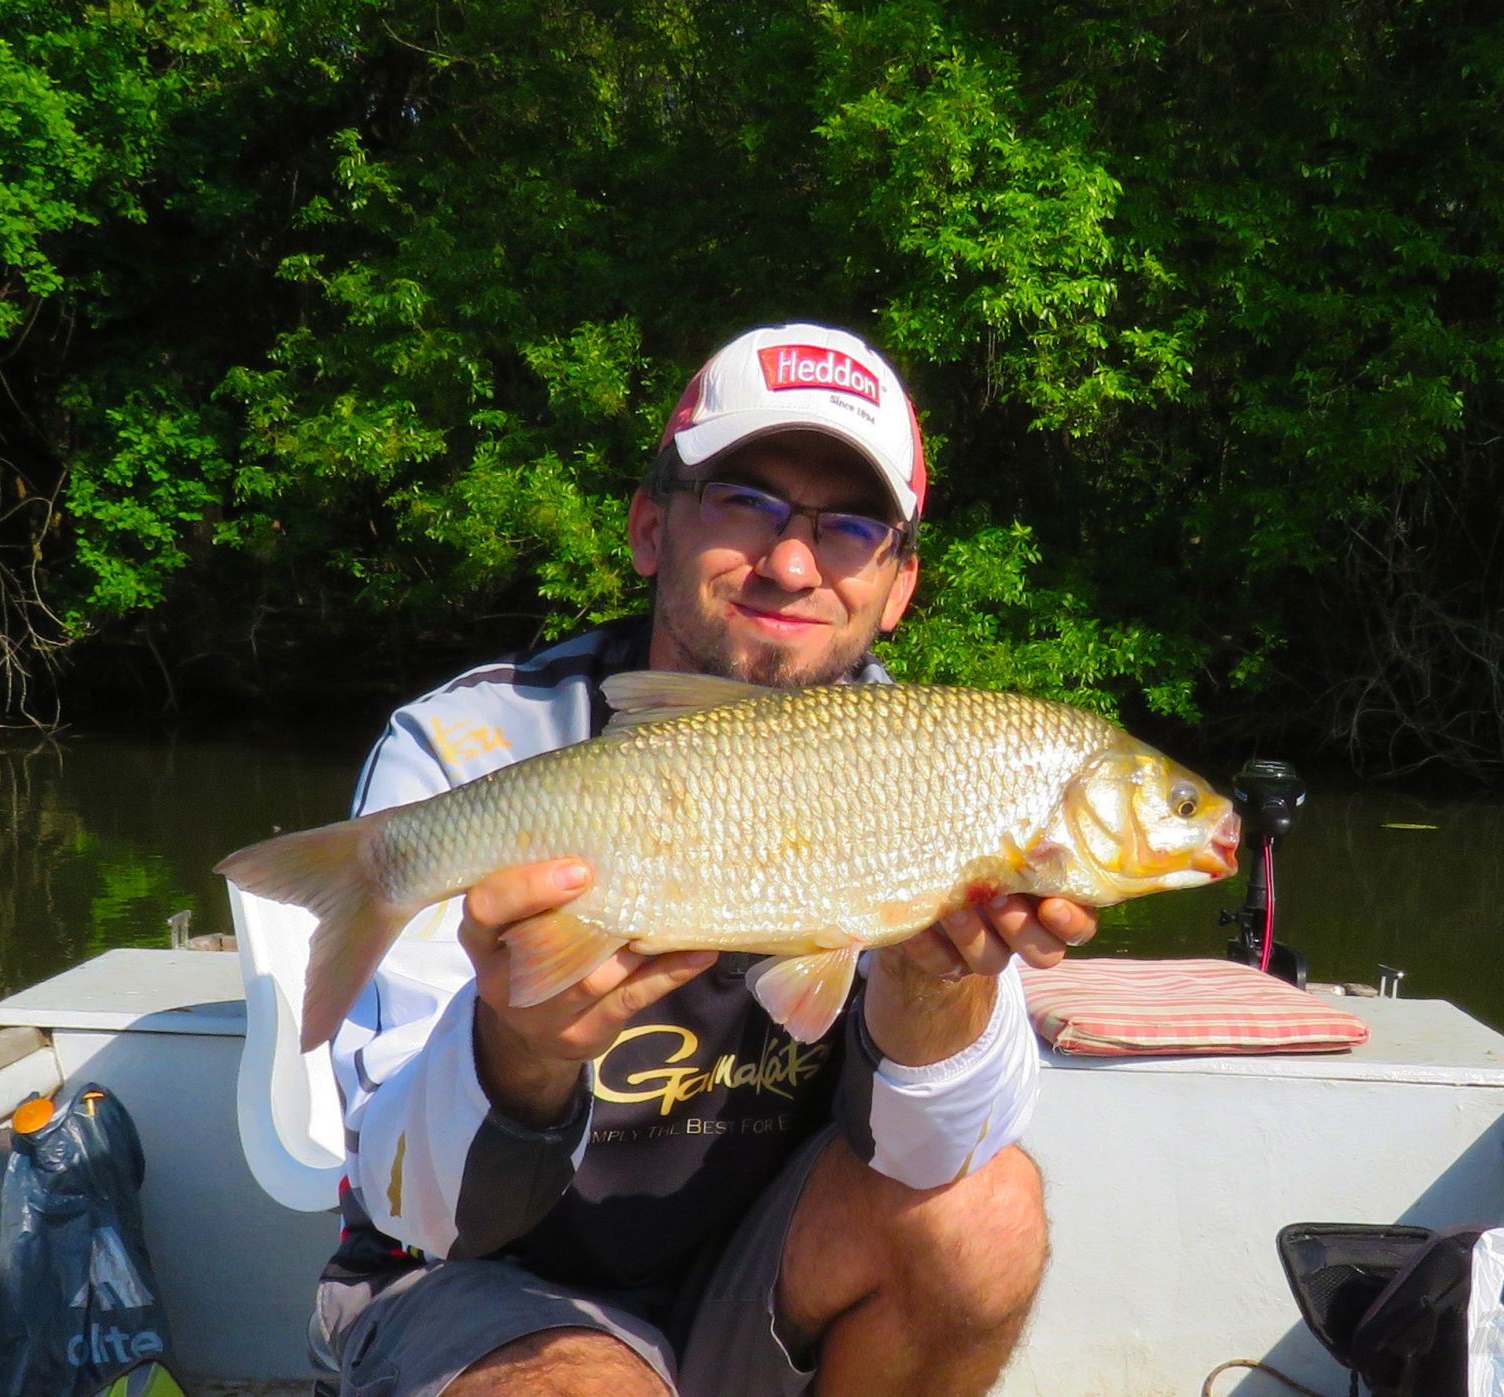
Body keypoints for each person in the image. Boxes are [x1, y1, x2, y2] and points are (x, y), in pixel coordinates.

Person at [311, 323, 1100, 1397]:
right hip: (484, 1278)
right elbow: (410, 1202)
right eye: (745, 501)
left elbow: (936, 1162)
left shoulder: (936, 761)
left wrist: (935, 989)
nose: (788, 560)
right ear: (648, 526)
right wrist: (518, 1050)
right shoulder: (468, 753)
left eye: (850, 525)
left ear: (898, 585)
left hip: (759, 1261)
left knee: (989, 1217)